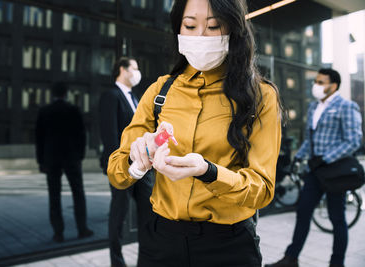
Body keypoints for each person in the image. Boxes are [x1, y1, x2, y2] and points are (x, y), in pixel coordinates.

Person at [106, 0, 283, 266]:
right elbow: (116, 174)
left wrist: (209, 172)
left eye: (213, 26)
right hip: (161, 240)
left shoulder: (260, 96)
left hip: (228, 246)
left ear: (233, 31)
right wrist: (138, 159)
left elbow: (262, 189)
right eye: (190, 25)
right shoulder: (160, 92)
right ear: (178, 28)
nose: (200, 36)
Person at [265, 69, 363, 267]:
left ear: (333, 86)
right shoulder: (313, 108)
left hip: (335, 173)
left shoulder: (346, 106)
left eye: (320, 82)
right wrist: (298, 158)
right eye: (316, 81)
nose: (315, 85)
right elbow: (310, 139)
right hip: (314, 171)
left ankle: (337, 263)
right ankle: (291, 258)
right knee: (303, 212)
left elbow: (353, 141)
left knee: (337, 218)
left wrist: (326, 158)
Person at [99, 57, 154, 267]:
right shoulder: (111, 96)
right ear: (122, 69)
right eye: (135, 68)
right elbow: (109, 134)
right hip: (123, 167)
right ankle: (117, 262)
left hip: (142, 165)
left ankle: (147, 260)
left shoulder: (135, 97)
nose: (138, 72)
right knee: (119, 215)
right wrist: (117, 166)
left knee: (148, 214)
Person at [35, 82, 94, 243]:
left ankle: (58, 233)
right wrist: (80, 156)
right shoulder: (73, 110)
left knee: (54, 195)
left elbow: (39, 139)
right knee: (78, 193)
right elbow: (81, 135)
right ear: (66, 93)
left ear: (52, 93)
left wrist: (41, 161)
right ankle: (82, 229)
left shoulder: (44, 111)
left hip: (52, 158)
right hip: (71, 157)